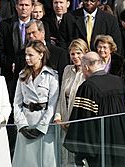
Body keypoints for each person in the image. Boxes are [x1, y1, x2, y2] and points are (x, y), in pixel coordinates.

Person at [64, 51, 125, 167]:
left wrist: (82, 152)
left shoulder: (88, 87)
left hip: (101, 148)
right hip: (122, 144)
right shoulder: (119, 82)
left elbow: (84, 123)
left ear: (86, 67)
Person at [12, 40, 59, 167]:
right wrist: (21, 125)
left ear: (41, 55)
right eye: (26, 55)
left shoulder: (52, 76)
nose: (27, 58)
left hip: (44, 126)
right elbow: (17, 102)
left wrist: (41, 127)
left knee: (45, 161)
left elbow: (53, 104)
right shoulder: (22, 75)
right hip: (26, 123)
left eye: (31, 55)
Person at [54, 38, 88, 166]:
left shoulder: (88, 72)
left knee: (79, 159)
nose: (75, 56)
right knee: (65, 159)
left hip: (79, 122)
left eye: (78, 53)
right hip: (64, 121)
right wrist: (58, 117)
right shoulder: (67, 69)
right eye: (72, 53)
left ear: (85, 53)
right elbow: (61, 96)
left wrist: (73, 121)